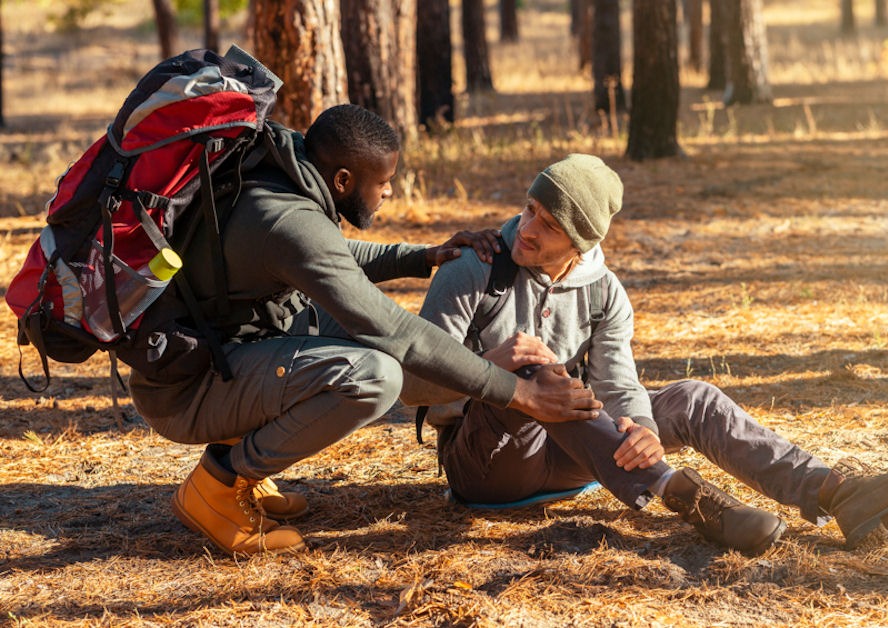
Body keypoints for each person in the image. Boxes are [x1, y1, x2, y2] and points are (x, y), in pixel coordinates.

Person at [400, 153, 888, 556]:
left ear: (583, 243)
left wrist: (640, 426)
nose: (527, 229)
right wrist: (496, 367)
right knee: (533, 366)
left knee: (692, 398)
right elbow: (414, 387)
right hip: (488, 464)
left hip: (580, 455)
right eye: (528, 210)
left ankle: (842, 494)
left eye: (549, 226)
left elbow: (618, 382)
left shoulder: (605, 292)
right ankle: (681, 494)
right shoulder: (474, 266)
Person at [128, 106, 601, 556]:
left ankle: (244, 466)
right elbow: (397, 332)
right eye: (385, 182)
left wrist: (422, 256)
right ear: (343, 180)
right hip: (187, 390)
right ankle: (219, 483)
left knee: (348, 334)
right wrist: (518, 392)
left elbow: (330, 256)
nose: (389, 192)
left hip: (218, 353)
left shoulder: (285, 170)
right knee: (375, 374)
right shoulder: (287, 222)